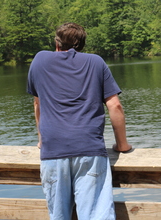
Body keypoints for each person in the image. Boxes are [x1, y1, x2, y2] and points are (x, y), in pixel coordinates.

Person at [27, 22, 132, 220]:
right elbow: (115, 106)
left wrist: (42, 140)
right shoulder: (96, 62)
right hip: (89, 150)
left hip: (53, 152)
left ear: (56, 44)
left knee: (59, 216)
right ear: (82, 46)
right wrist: (122, 145)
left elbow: (37, 105)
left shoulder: (40, 60)